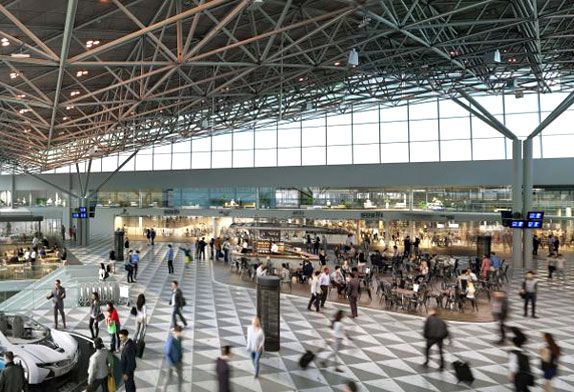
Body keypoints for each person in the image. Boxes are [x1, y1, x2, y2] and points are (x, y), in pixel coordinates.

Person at [163, 325, 183, 392]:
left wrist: (180, 358)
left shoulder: (179, 338)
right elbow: (167, 353)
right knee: (168, 378)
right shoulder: (171, 341)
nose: (180, 334)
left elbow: (180, 349)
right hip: (171, 363)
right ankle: (164, 390)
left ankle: (179, 390)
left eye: (180, 332)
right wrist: (172, 365)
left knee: (180, 378)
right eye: (179, 332)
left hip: (178, 362)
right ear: (175, 332)